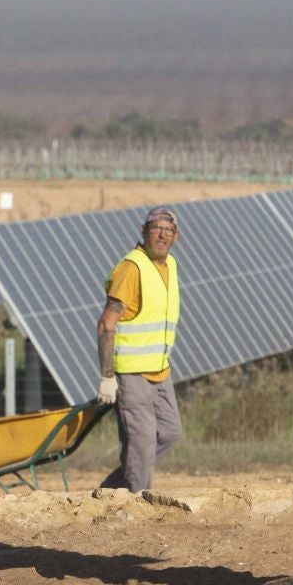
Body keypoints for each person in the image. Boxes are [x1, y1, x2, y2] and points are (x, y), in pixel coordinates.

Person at [94, 205, 183, 492]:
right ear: (143, 231)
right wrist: (107, 377)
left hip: (160, 371)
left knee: (170, 433)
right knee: (141, 443)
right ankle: (135, 504)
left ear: (176, 236)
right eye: (157, 228)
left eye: (168, 230)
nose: (162, 235)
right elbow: (107, 324)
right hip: (132, 373)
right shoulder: (132, 268)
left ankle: (110, 493)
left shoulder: (171, 265)